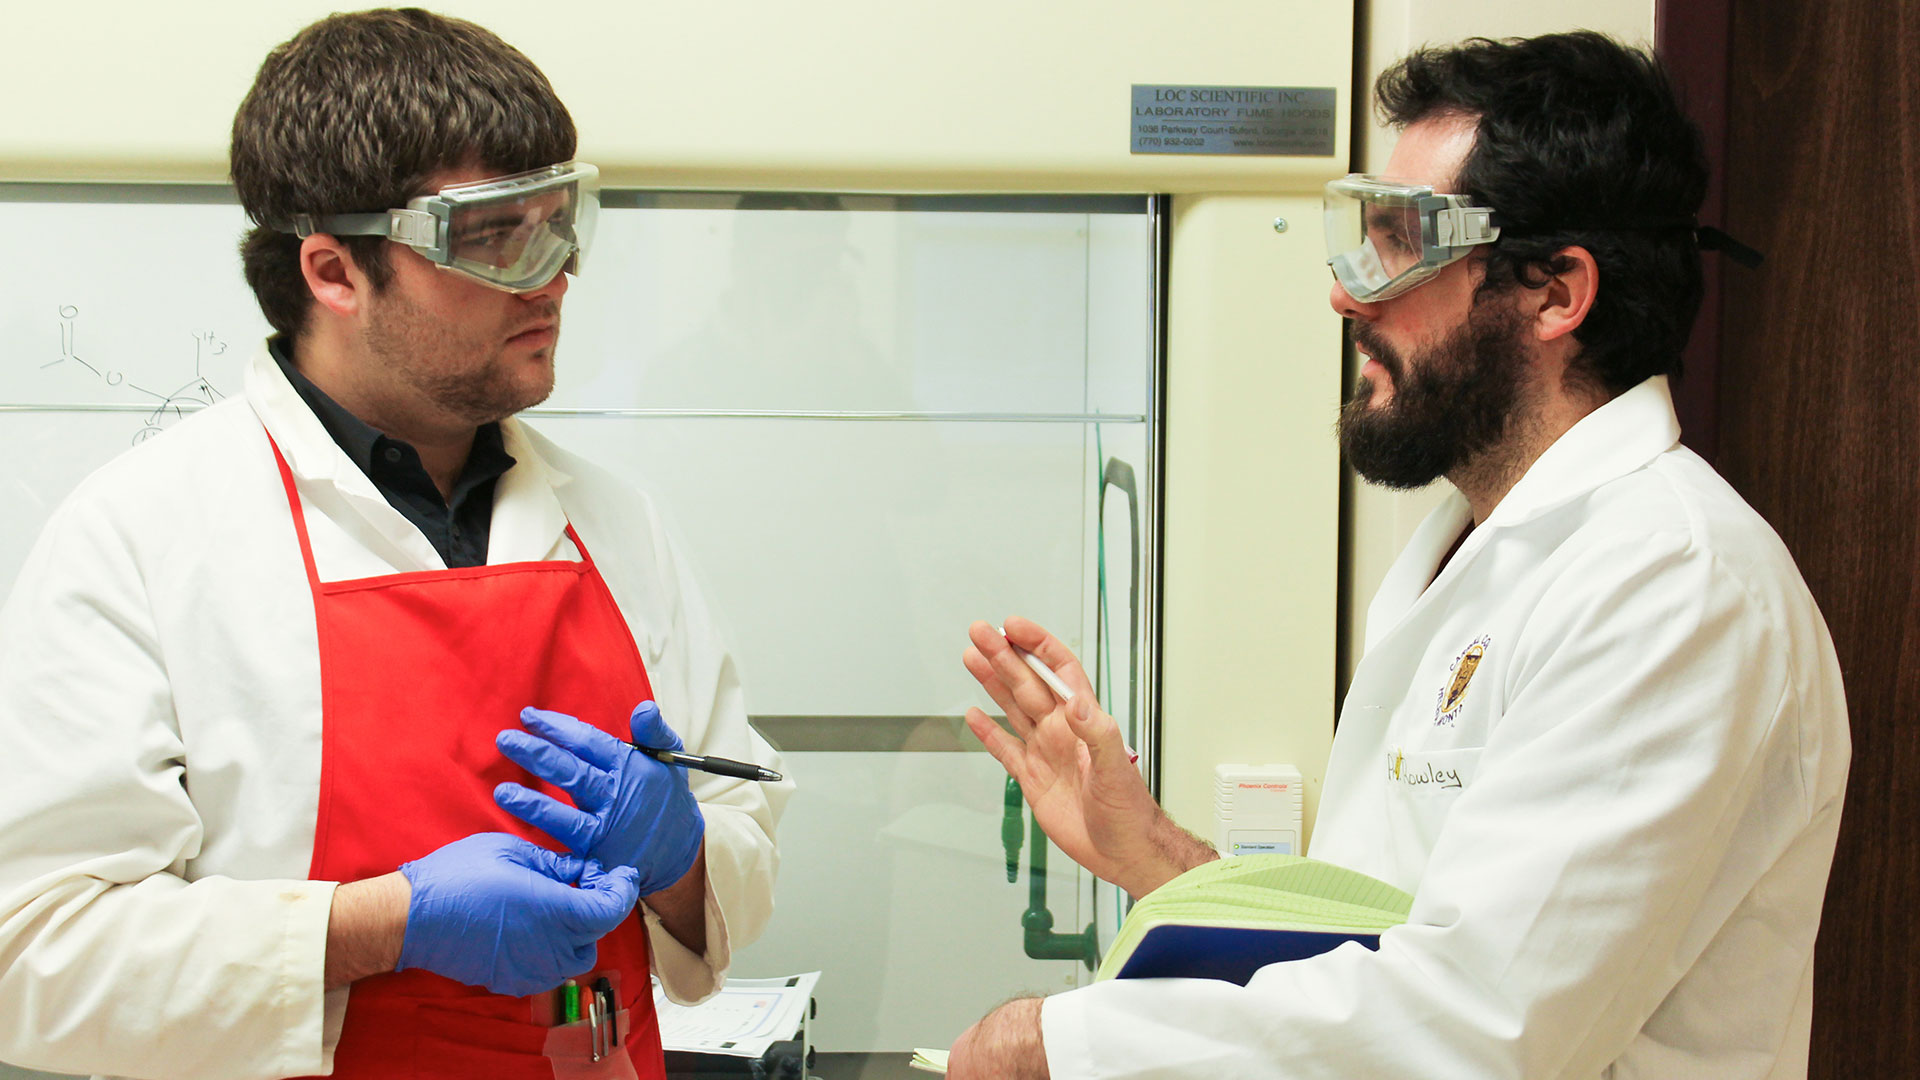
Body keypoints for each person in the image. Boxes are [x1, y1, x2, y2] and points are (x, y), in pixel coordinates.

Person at [950, 32, 1849, 1080]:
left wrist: (1053, 1046)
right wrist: (1154, 853)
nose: (1348, 295)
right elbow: (1381, 941)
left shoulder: (1676, 588)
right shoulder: (1472, 553)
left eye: (1399, 244)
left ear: (1557, 293)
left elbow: (1473, 1027)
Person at [0, 9, 789, 1079]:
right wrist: (381, 926)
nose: (554, 274)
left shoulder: (612, 522)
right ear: (334, 272)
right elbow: (32, 957)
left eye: (565, 220)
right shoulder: (142, 536)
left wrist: (686, 860)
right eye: (497, 234)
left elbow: (741, 825)